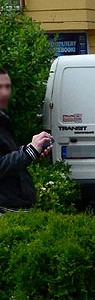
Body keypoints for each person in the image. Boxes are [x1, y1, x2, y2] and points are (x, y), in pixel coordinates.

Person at [0, 69, 53, 212]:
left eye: (7, 86)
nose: (5, 93)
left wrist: (34, 150)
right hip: (5, 210)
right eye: (0, 87)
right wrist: (28, 152)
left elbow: (8, 156)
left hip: (16, 206)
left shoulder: (3, 120)